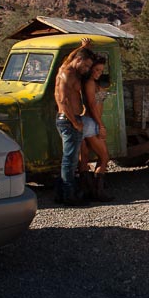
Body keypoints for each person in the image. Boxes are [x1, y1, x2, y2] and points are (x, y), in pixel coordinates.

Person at [53, 39, 96, 205]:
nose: (86, 69)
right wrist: (75, 122)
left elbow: (71, 57)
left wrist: (82, 48)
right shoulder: (67, 74)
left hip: (68, 119)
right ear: (79, 60)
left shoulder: (66, 67)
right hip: (69, 120)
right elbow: (63, 101)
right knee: (69, 161)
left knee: (69, 158)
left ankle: (60, 194)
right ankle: (69, 196)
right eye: (85, 65)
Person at [79, 54, 113, 201]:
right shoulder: (90, 83)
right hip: (91, 122)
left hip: (86, 122)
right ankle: (98, 192)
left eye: (101, 70)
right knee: (104, 157)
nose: (98, 73)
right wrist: (100, 125)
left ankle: (87, 190)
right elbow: (93, 106)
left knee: (84, 158)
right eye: (96, 69)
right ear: (90, 68)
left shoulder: (90, 82)